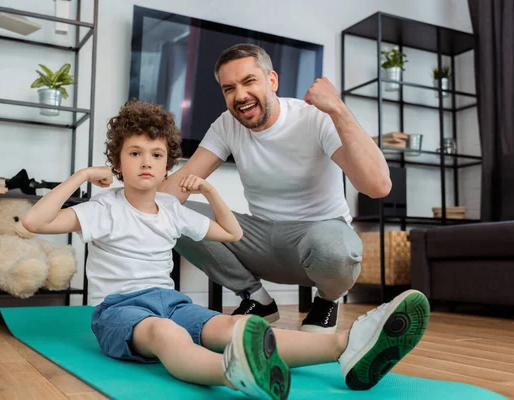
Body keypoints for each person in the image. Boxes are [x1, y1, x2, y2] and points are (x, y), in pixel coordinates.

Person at [21, 100, 429, 399]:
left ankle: (346, 345)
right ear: (118, 162)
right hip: (121, 309)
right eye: (135, 153)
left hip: (173, 302)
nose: (146, 162)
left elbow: (231, 233)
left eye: (157, 155)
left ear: (168, 166)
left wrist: (211, 190)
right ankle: (234, 371)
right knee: (166, 335)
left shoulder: (170, 209)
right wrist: (81, 176)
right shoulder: (102, 209)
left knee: (230, 327)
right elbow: (34, 222)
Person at [159, 43, 392, 333]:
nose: (240, 95)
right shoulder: (226, 125)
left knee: (335, 246)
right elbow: (178, 187)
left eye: (249, 81)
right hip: (261, 239)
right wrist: (125, 202)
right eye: (229, 88)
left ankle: (326, 302)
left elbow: (378, 186)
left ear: (272, 80)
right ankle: (257, 299)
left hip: (318, 238)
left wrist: (337, 108)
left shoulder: (314, 117)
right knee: (170, 212)